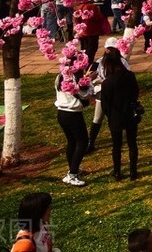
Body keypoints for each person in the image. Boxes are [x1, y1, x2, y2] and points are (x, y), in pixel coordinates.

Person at [99, 44, 140, 180]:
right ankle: (133, 171)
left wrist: (109, 114)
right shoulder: (129, 76)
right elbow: (135, 93)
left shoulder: (107, 83)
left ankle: (117, 171)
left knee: (116, 145)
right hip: (130, 113)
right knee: (132, 143)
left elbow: (105, 104)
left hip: (115, 116)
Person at [54, 68, 92, 186]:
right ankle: (72, 174)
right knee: (82, 142)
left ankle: (73, 168)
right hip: (73, 114)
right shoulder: (78, 79)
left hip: (61, 113)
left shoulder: (60, 76)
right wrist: (89, 81)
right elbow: (85, 95)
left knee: (72, 141)